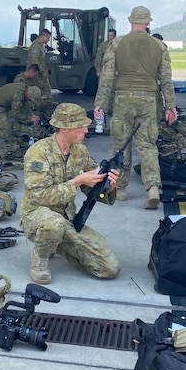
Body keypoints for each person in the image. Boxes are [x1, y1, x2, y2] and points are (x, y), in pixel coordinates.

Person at [20, 103, 121, 284]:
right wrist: (77, 182)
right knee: (54, 224)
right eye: (80, 126)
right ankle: (40, 257)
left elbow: (92, 188)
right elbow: (40, 196)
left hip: (67, 218)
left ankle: (57, 244)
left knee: (109, 268)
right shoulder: (38, 153)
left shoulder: (80, 151)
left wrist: (109, 185)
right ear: (65, 128)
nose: (85, 130)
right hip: (37, 215)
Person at [94, 6, 177, 209]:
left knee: (121, 145)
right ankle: (153, 188)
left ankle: (120, 189)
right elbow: (166, 79)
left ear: (130, 21)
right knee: (148, 145)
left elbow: (106, 77)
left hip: (123, 99)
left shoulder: (116, 44)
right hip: (148, 100)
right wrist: (170, 106)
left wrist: (100, 104)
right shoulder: (160, 46)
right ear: (148, 22)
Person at [28, 28, 53, 97]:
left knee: (46, 91)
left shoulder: (40, 45)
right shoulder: (36, 46)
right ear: (43, 36)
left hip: (40, 73)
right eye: (48, 38)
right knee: (41, 92)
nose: (48, 40)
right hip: (37, 74)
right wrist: (42, 71)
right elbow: (35, 61)